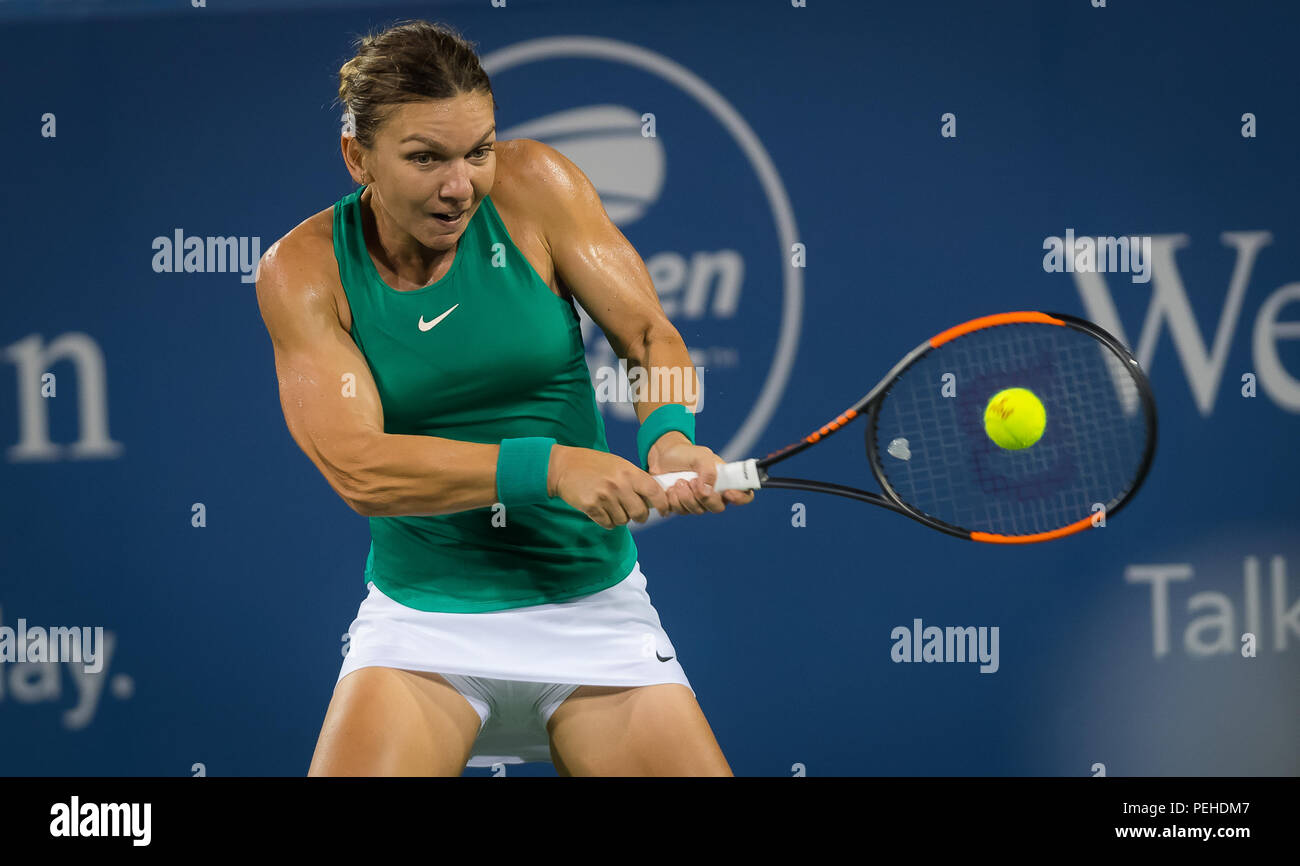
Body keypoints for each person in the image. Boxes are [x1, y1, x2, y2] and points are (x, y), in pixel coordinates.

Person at [254, 19, 753, 776]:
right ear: (359, 156)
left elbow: (651, 337)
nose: (461, 187)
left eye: (478, 151)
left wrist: (671, 437)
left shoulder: (536, 188)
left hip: (592, 607)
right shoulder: (304, 270)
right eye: (426, 158)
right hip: (425, 623)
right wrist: (549, 468)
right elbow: (361, 469)